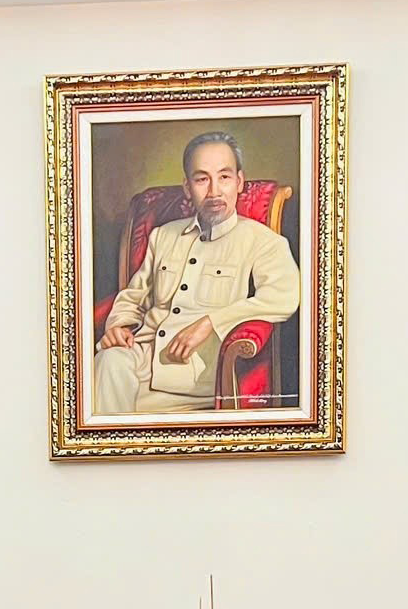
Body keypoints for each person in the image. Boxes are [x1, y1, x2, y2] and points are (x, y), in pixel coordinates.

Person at [93, 130, 301, 415]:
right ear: (188, 187)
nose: (214, 191)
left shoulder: (263, 242)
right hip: (140, 363)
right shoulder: (162, 236)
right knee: (108, 362)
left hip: (197, 378)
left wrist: (210, 323)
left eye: (224, 177)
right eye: (202, 179)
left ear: (239, 183)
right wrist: (119, 326)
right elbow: (133, 295)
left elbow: (283, 298)